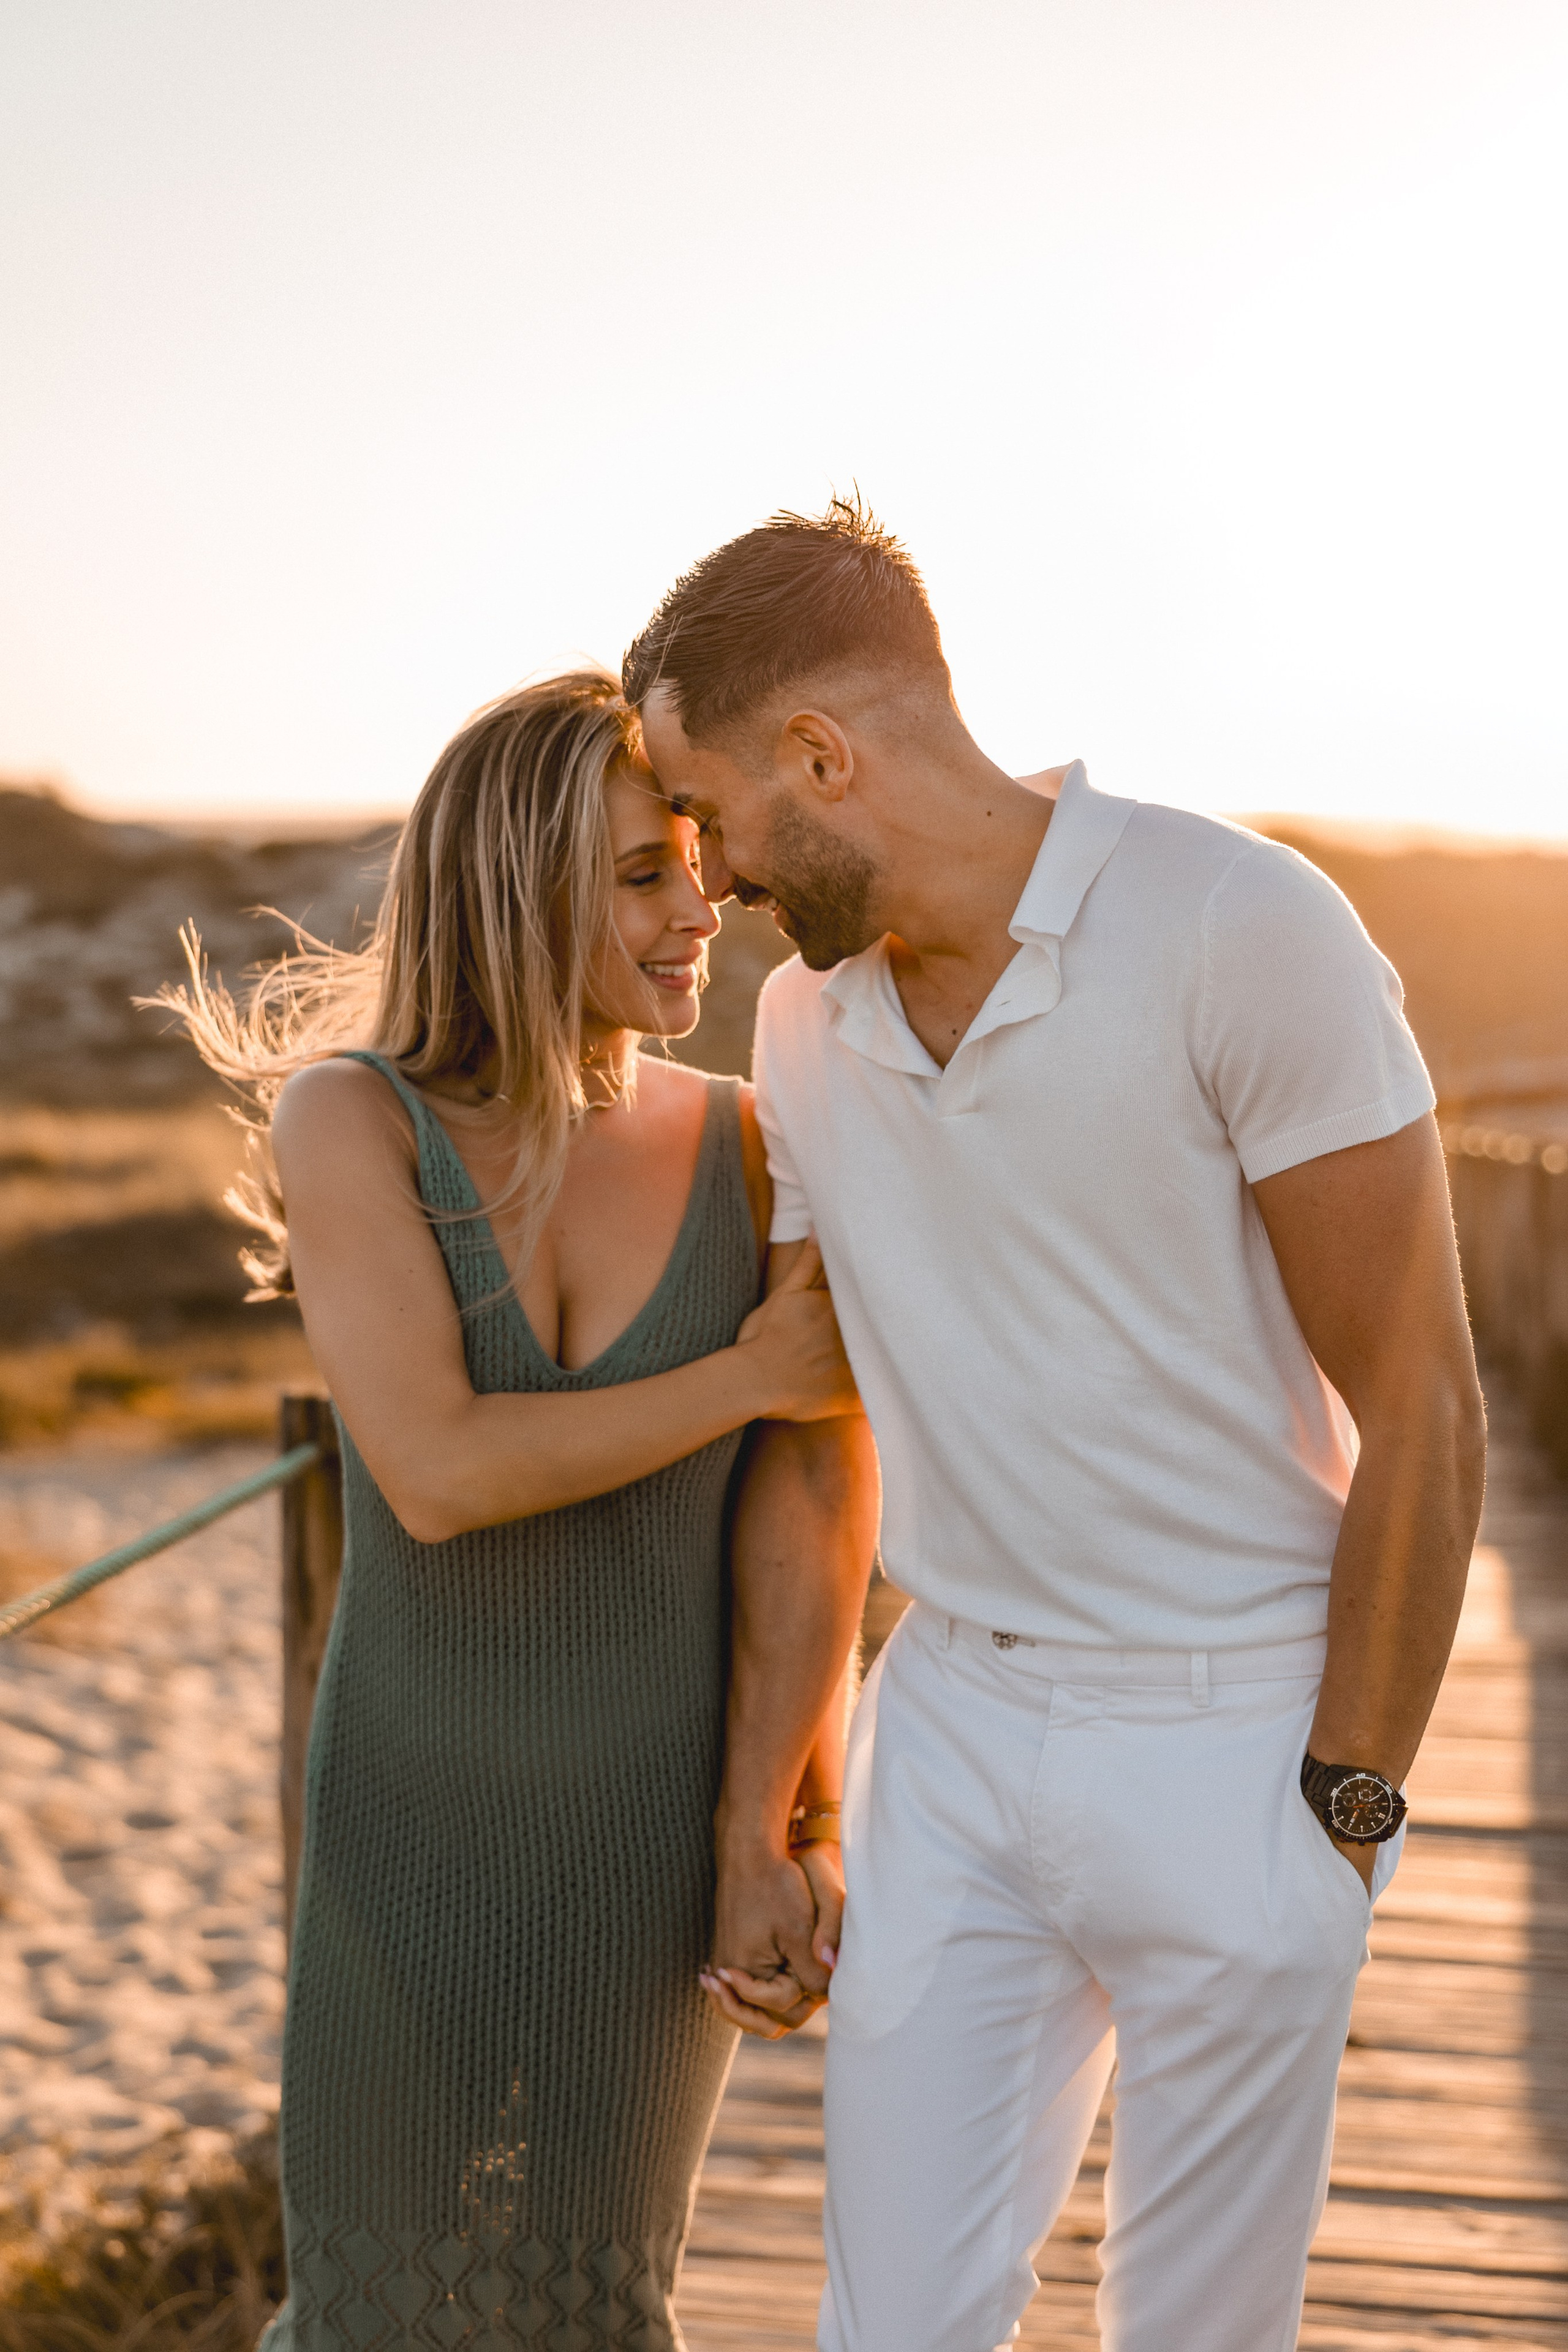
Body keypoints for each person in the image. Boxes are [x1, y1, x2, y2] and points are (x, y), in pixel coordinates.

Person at [624, 502, 1488, 2352]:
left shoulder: (1239, 926)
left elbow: (1422, 1395)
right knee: (896, 2330)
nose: (713, 875)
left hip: (1242, 1732)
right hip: (951, 1732)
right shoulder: (797, 1029)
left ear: (823, 756)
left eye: (714, 811)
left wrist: (1344, 1813)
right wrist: (764, 1812)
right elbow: (819, 1424)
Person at [163, 671, 878, 2350]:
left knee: (593, 2304)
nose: (700, 905)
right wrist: (748, 1369)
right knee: (373, 2308)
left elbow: (815, 1501)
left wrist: (789, 1829)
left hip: (655, 1838)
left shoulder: (764, 1146)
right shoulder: (354, 1116)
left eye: (697, 861)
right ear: (513, 885)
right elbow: (438, 1469)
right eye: (644, 871)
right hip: (404, 1825)